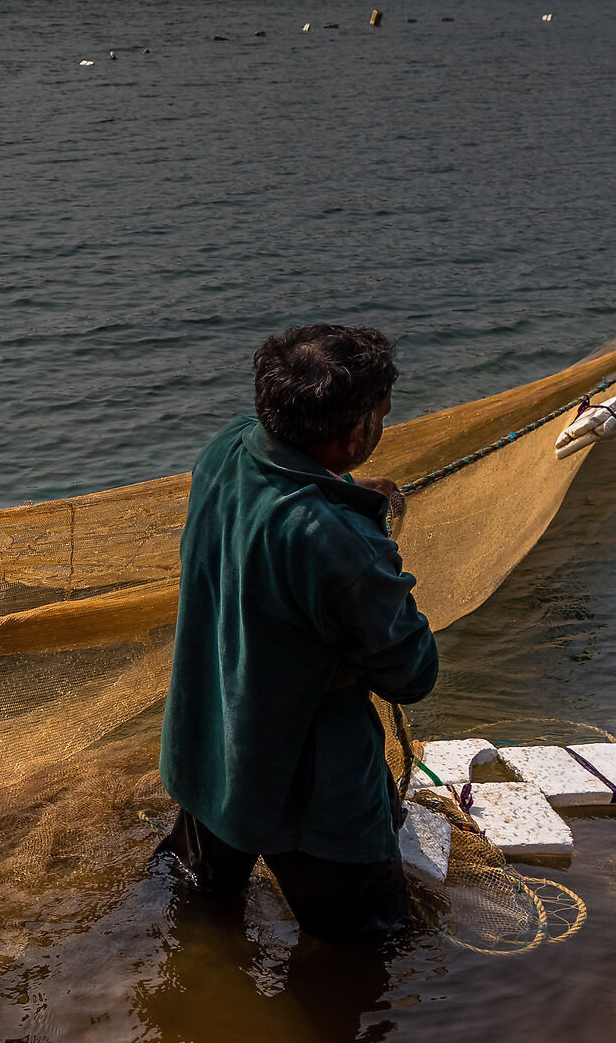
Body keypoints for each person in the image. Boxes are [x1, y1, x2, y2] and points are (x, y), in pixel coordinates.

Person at [157, 323, 437, 944]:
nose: (381, 428)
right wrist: (367, 542)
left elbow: (273, 494)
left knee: (199, 912)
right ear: (355, 434)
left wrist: (343, 492)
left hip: (207, 755)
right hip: (311, 793)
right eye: (381, 416)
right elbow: (411, 675)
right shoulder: (342, 546)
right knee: (361, 955)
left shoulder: (227, 448)